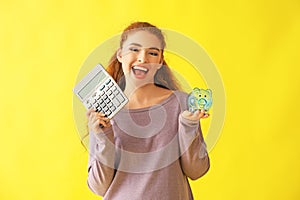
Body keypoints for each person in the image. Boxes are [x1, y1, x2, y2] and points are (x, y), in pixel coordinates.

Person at [86, 21, 210, 200]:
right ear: (120, 55)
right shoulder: (103, 112)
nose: (143, 58)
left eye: (152, 53)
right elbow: (99, 187)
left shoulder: (182, 103)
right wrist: (103, 136)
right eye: (134, 50)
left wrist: (188, 125)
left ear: (160, 61)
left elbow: (196, 171)